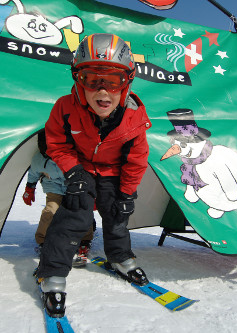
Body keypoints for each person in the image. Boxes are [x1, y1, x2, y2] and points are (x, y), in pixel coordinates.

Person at [36, 33, 152, 317]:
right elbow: (57, 143)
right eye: (92, 79)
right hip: (83, 166)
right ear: (78, 79)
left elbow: (137, 159)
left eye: (112, 81)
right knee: (74, 214)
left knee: (117, 214)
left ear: (127, 82)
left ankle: (121, 257)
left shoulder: (133, 115)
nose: (102, 91)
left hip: (114, 171)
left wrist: (127, 193)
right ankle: (51, 273)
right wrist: (73, 171)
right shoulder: (65, 107)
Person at [22, 130, 94, 267]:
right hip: (53, 187)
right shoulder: (39, 158)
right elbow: (33, 173)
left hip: (74, 187)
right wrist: (29, 189)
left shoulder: (71, 154)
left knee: (82, 210)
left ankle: (85, 240)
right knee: (51, 211)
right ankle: (43, 240)